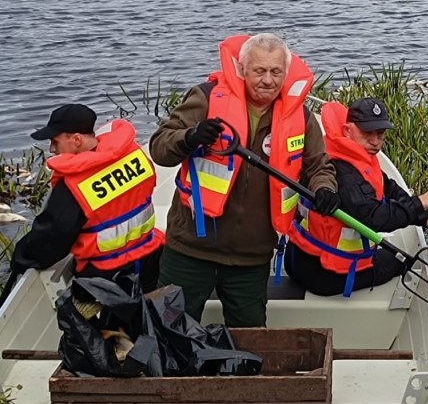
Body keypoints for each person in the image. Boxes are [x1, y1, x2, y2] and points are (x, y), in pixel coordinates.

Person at [149, 33, 338, 327]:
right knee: (168, 331)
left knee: (250, 336)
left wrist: (324, 189)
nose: (268, 80)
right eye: (259, 71)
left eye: (276, 72)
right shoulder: (206, 98)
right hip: (190, 249)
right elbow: (160, 148)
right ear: (241, 69)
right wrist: (190, 137)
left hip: (251, 256)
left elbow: (318, 166)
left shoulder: (299, 117)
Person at [285, 97, 428, 296]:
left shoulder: (346, 153)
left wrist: (426, 217)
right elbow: (375, 218)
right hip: (324, 274)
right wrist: (424, 200)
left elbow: (389, 188)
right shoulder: (342, 173)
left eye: (381, 134)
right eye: (367, 133)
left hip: (298, 258)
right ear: (347, 130)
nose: (375, 142)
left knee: (394, 254)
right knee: (405, 263)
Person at [3, 104, 165, 305]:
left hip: (105, 276)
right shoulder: (133, 154)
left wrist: (21, 257)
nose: (52, 149)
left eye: (55, 141)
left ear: (77, 140)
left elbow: (53, 238)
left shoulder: (76, 184)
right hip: (149, 256)